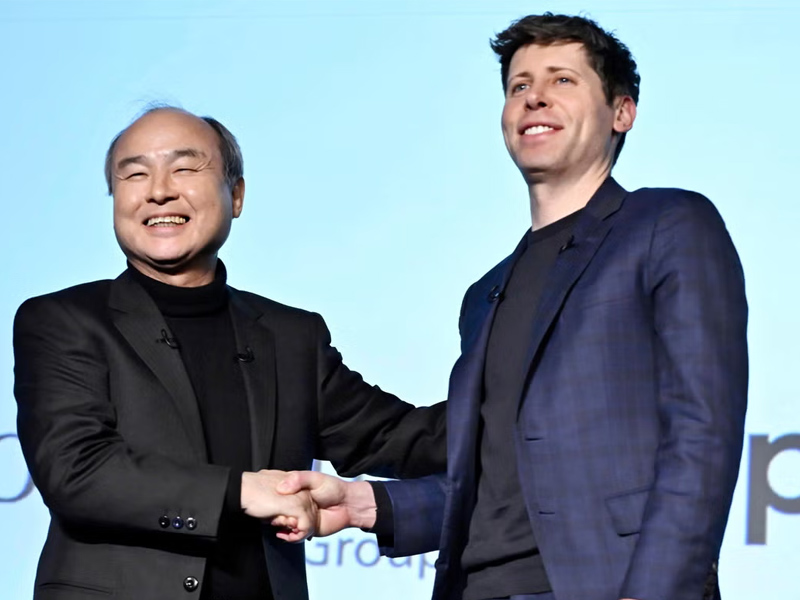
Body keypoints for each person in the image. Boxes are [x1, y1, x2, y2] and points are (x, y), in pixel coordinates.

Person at [280, 12, 748, 600]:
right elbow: (500, 479)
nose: (534, 98)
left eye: (562, 80)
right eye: (519, 85)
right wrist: (366, 503)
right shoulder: (485, 293)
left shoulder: (668, 224)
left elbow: (702, 434)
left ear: (622, 112)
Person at [13, 106, 446, 600]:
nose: (159, 191)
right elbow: (77, 471)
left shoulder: (291, 336)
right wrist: (241, 491)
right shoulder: (64, 320)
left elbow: (404, 437)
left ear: (236, 195)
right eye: (134, 174)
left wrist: (513, 403)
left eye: (184, 168)